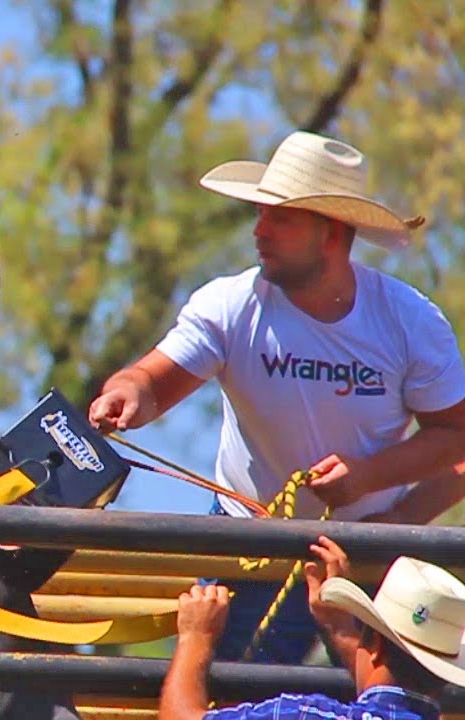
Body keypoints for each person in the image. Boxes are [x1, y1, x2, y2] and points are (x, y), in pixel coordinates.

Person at [87, 129, 465, 662]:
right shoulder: (231, 305)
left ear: (330, 232)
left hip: (370, 553)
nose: (259, 230)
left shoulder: (409, 322)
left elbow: (457, 437)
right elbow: (151, 381)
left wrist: (371, 485)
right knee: (224, 699)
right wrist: (126, 392)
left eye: (280, 216)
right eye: (260, 213)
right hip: (248, 542)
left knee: (386, 704)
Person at [160, 536, 464, 720]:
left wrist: (195, 638)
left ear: (375, 647)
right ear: (442, 670)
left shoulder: (306, 715)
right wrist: (341, 628)